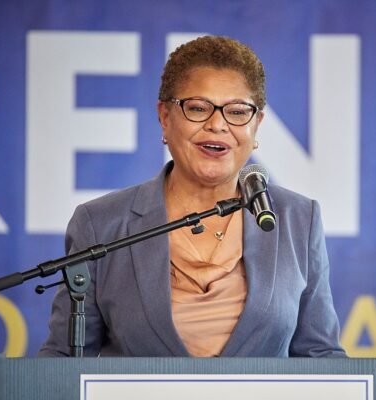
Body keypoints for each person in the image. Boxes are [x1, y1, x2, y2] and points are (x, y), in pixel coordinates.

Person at [38, 35, 346, 358]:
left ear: (257, 124)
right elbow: (63, 361)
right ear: (165, 116)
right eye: (198, 108)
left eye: (237, 112)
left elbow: (322, 357)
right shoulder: (101, 224)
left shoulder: (299, 219)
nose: (218, 125)